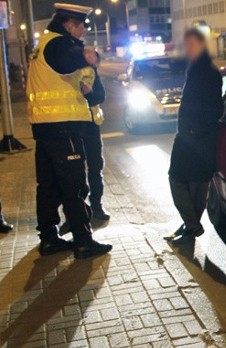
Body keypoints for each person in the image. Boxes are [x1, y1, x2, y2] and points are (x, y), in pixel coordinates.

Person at [26, 3, 111, 259]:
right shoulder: (58, 44)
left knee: (48, 185)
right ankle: (83, 241)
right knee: (74, 186)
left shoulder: (43, 43)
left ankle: (49, 238)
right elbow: (66, 61)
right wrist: (85, 56)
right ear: (69, 24)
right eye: (82, 26)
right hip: (63, 127)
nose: (84, 31)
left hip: (45, 128)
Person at [165, 28, 223, 245]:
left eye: (191, 45)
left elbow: (215, 107)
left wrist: (197, 129)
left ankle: (191, 225)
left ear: (202, 45)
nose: (187, 49)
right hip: (188, 137)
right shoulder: (194, 69)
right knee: (180, 180)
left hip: (199, 138)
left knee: (194, 185)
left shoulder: (209, 72)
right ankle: (191, 224)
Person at [81, 49, 110, 221]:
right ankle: (77, 211)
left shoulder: (90, 72)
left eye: (93, 55)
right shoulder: (66, 70)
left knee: (95, 167)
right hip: (73, 127)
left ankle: (97, 206)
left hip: (91, 126)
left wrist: (89, 93)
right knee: (75, 173)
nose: (89, 57)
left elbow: (100, 96)